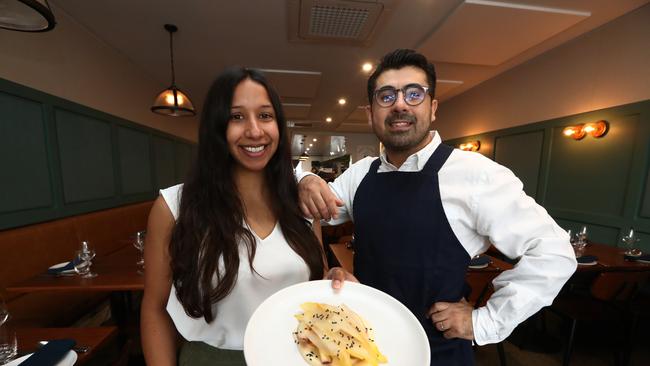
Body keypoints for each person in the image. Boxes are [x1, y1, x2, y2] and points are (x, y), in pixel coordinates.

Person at [298, 49, 577, 365]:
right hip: (363, 344)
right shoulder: (361, 173)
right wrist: (304, 180)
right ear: (370, 112)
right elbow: (309, 211)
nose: (400, 104)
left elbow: (554, 252)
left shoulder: (476, 174)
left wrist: (483, 321)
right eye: (386, 96)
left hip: (438, 351)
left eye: (413, 94)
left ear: (432, 109)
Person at [141, 67, 326, 366]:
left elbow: (316, 284)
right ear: (216, 127)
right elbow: (154, 307)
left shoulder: (301, 204)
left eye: (265, 116)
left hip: (298, 357)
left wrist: (335, 279)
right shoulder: (174, 206)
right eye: (236, 117)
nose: (255, 130)